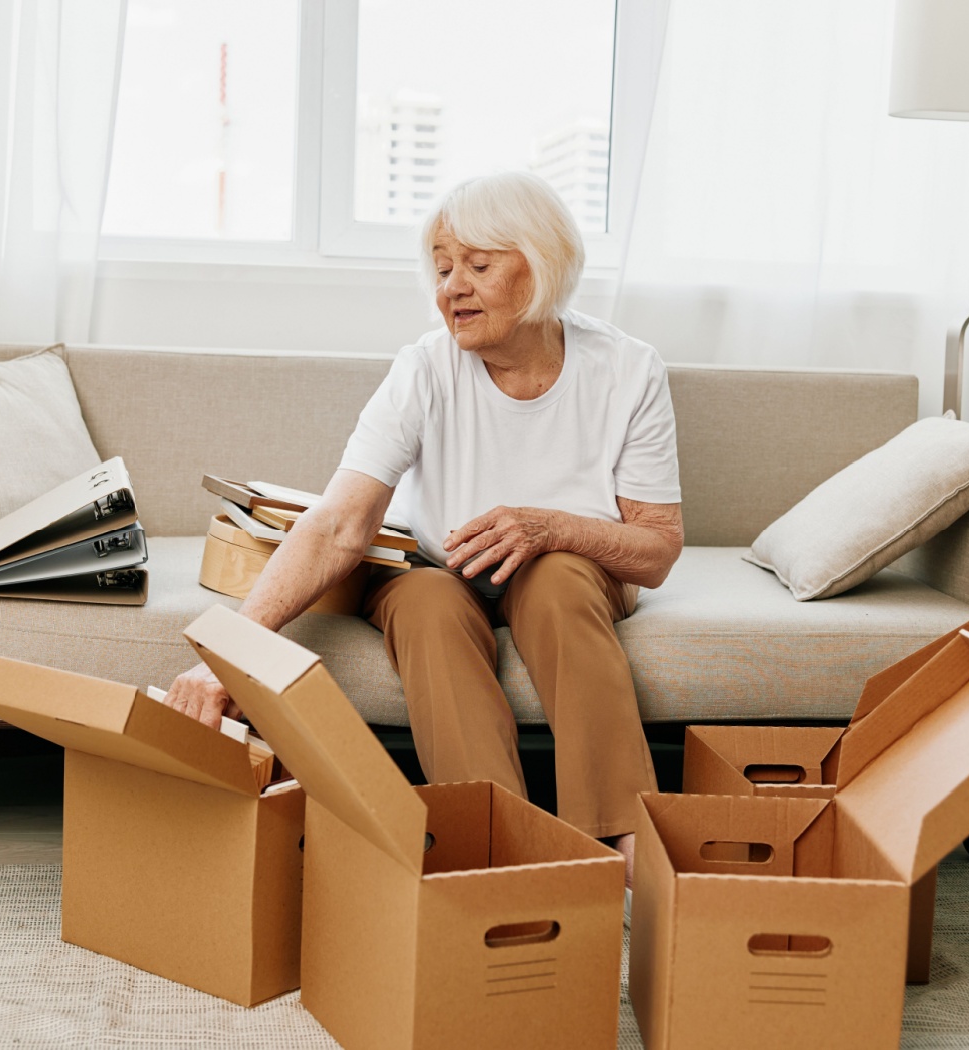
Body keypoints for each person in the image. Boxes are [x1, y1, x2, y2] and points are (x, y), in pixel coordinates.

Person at [162, 171, 683, 881]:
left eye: (477, 265)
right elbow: (339, 525)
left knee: (557, 579)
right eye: (442, 270)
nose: (452, 289)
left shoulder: (627, 369)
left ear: (543, 261)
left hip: (574, 572)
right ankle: (496, 849)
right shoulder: (423, 370)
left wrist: (550, 528)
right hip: (439, 569)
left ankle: (623, 851)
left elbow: (655, 550)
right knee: (428, 603)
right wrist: (228, 655)